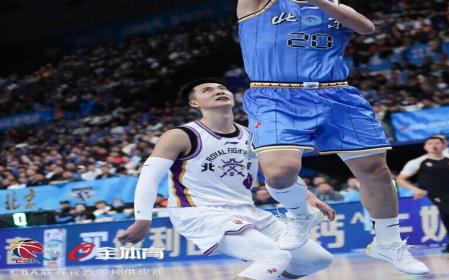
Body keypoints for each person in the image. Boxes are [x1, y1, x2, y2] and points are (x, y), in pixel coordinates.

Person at [203, 0, 428, 275]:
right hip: (275, 94)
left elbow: (366, 28)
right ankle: (298, 214)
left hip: (336, 93)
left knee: (375, 170)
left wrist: (318, 0)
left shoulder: (332, 7)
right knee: (279, 171)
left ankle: (388, 243)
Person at [119, 78, 335, 280]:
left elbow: (276, 172)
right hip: (199, 211)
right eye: (207, 90)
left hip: (246, 210)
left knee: (316, 260)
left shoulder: (252, 136)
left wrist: (307, 197)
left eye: (222, 88)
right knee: (274, 258)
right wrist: (143, 218)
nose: (218, 91)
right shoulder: (181, 135)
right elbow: (149, 177)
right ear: (194, 103)